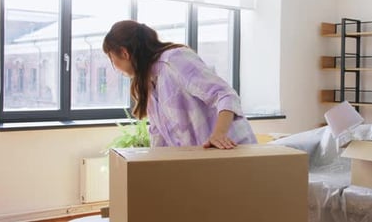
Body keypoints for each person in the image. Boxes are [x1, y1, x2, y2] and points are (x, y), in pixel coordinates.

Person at [102, 20, 257, 149]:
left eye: (111, 58)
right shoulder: (148, 84)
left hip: (231, 150)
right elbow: (158, 136)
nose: (114, 66)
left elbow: (225, 95)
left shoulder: (175, 60)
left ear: (124, 53)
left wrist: (219, 134)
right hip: (203, 162)